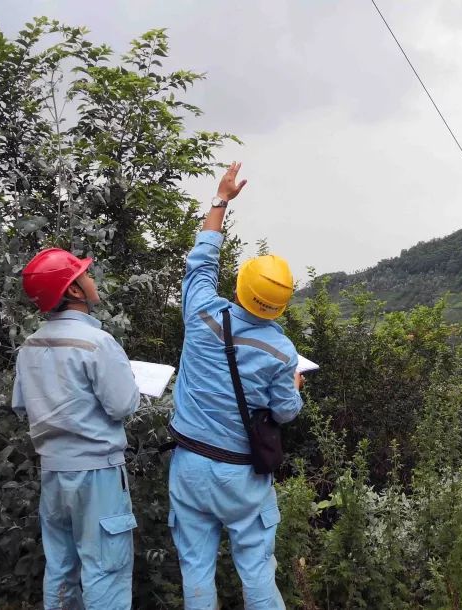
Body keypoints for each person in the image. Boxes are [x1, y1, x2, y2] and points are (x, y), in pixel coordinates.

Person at [168, 161, 304, 610]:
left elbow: (201, 261)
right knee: (257, 570)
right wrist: (296, 385)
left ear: (240, 285)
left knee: (196, 569)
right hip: (241, 477)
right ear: (279, 307)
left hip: (189, 465)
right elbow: (285, 413)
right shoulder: (282, 353)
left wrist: (220, 199)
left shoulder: (201, 311)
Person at [12, 247, 140, 609]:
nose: (92, 278)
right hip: (98, 472)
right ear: (73, 291)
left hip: (52, 472)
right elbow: (122, 405)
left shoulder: (29, 345)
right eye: (85, 274)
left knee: (61, 568)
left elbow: (24, 405)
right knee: (106, 569)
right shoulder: (98, 343)